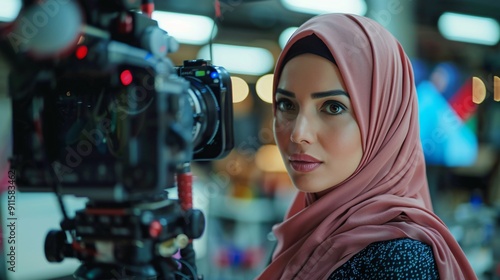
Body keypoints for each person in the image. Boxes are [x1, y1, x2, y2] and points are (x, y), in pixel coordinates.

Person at [256, 13, 477, 279]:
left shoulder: (398, 260)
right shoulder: (299, 232)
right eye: (286, 105)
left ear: (385, 122)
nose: (298, 134)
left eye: (333, 107)